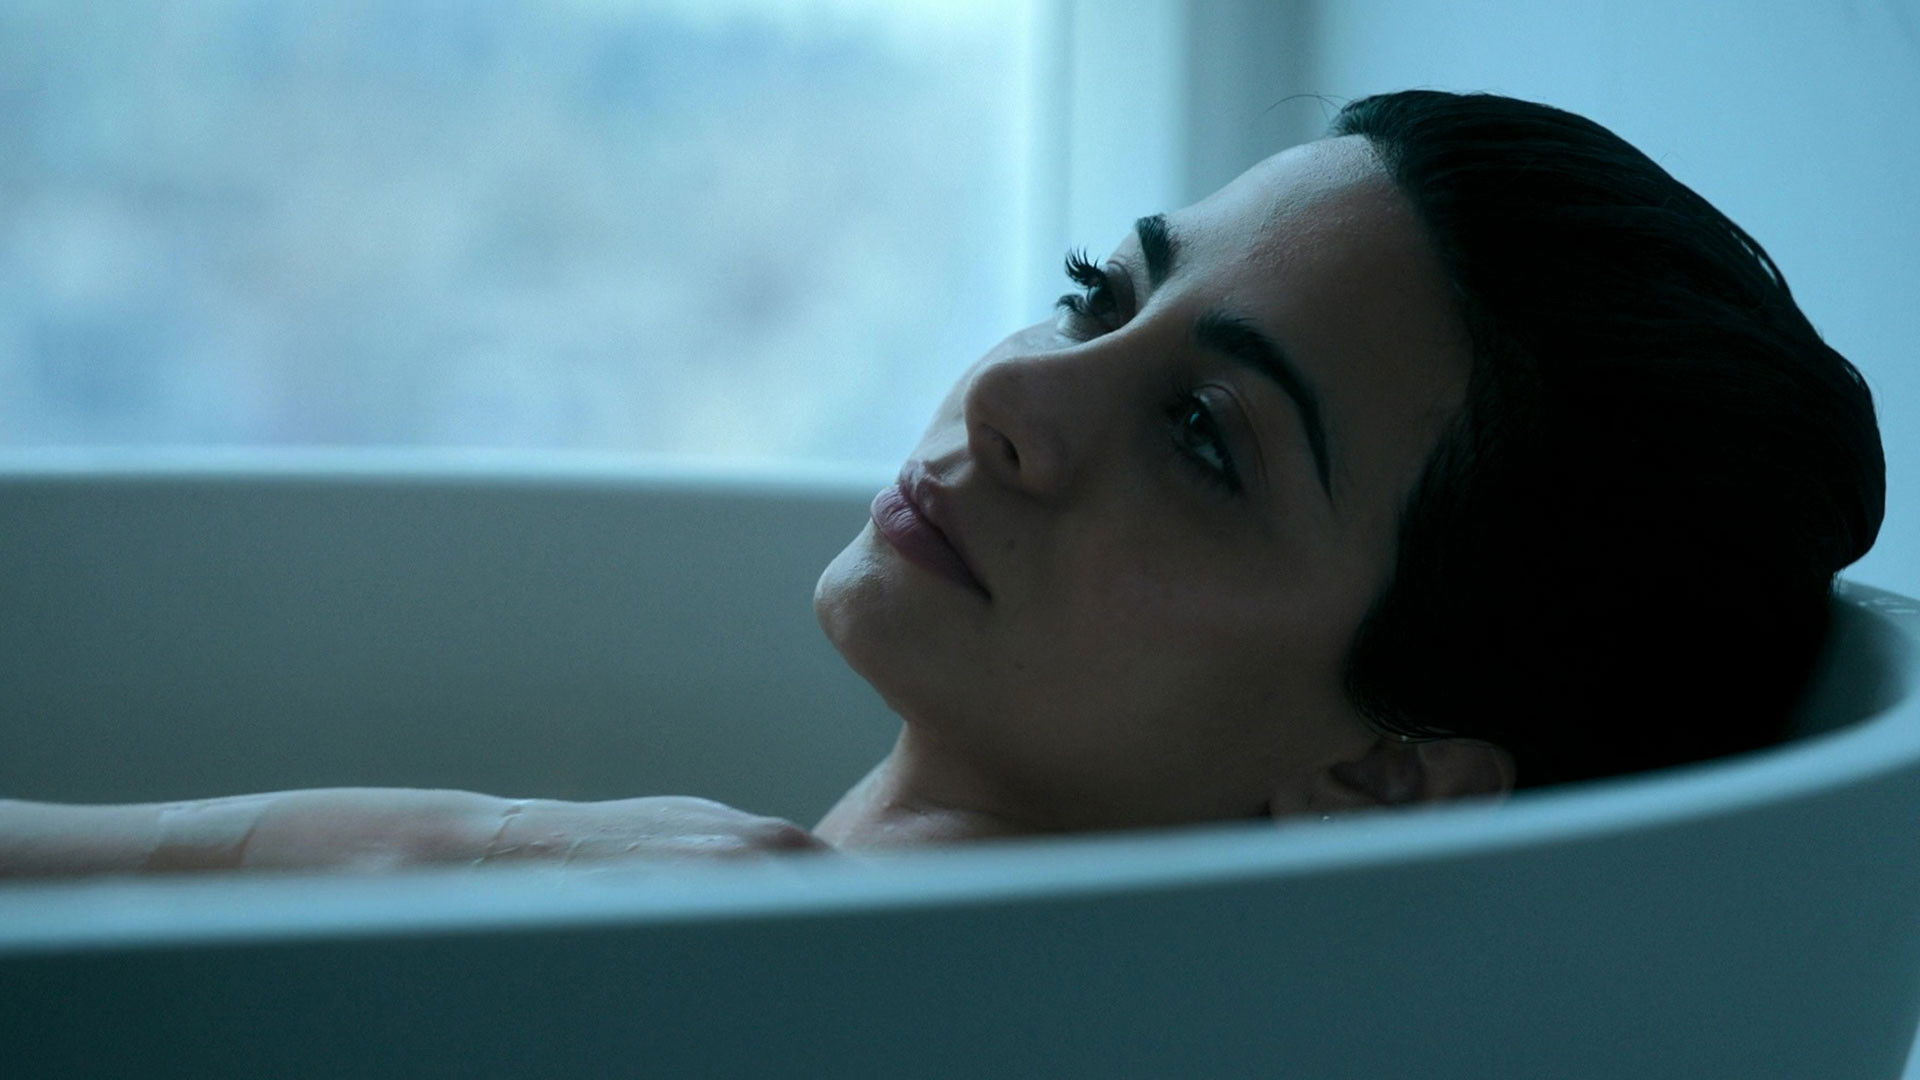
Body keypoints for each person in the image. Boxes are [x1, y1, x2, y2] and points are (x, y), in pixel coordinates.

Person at [0, 89, 1883, 874]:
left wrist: (476, 861)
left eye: (1207, 440)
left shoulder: (756, 973)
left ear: (1388, 773)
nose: (1016, 395)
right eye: (1098, 296)